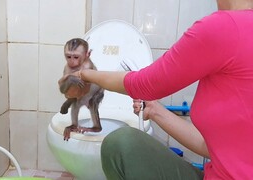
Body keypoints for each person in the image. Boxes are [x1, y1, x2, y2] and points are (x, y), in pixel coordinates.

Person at [65, 0, 253, 179]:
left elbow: (144, 84)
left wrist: (84, 75)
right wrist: (155, 110)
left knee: (121, 144)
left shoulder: (226, 27)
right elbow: (214, 148)